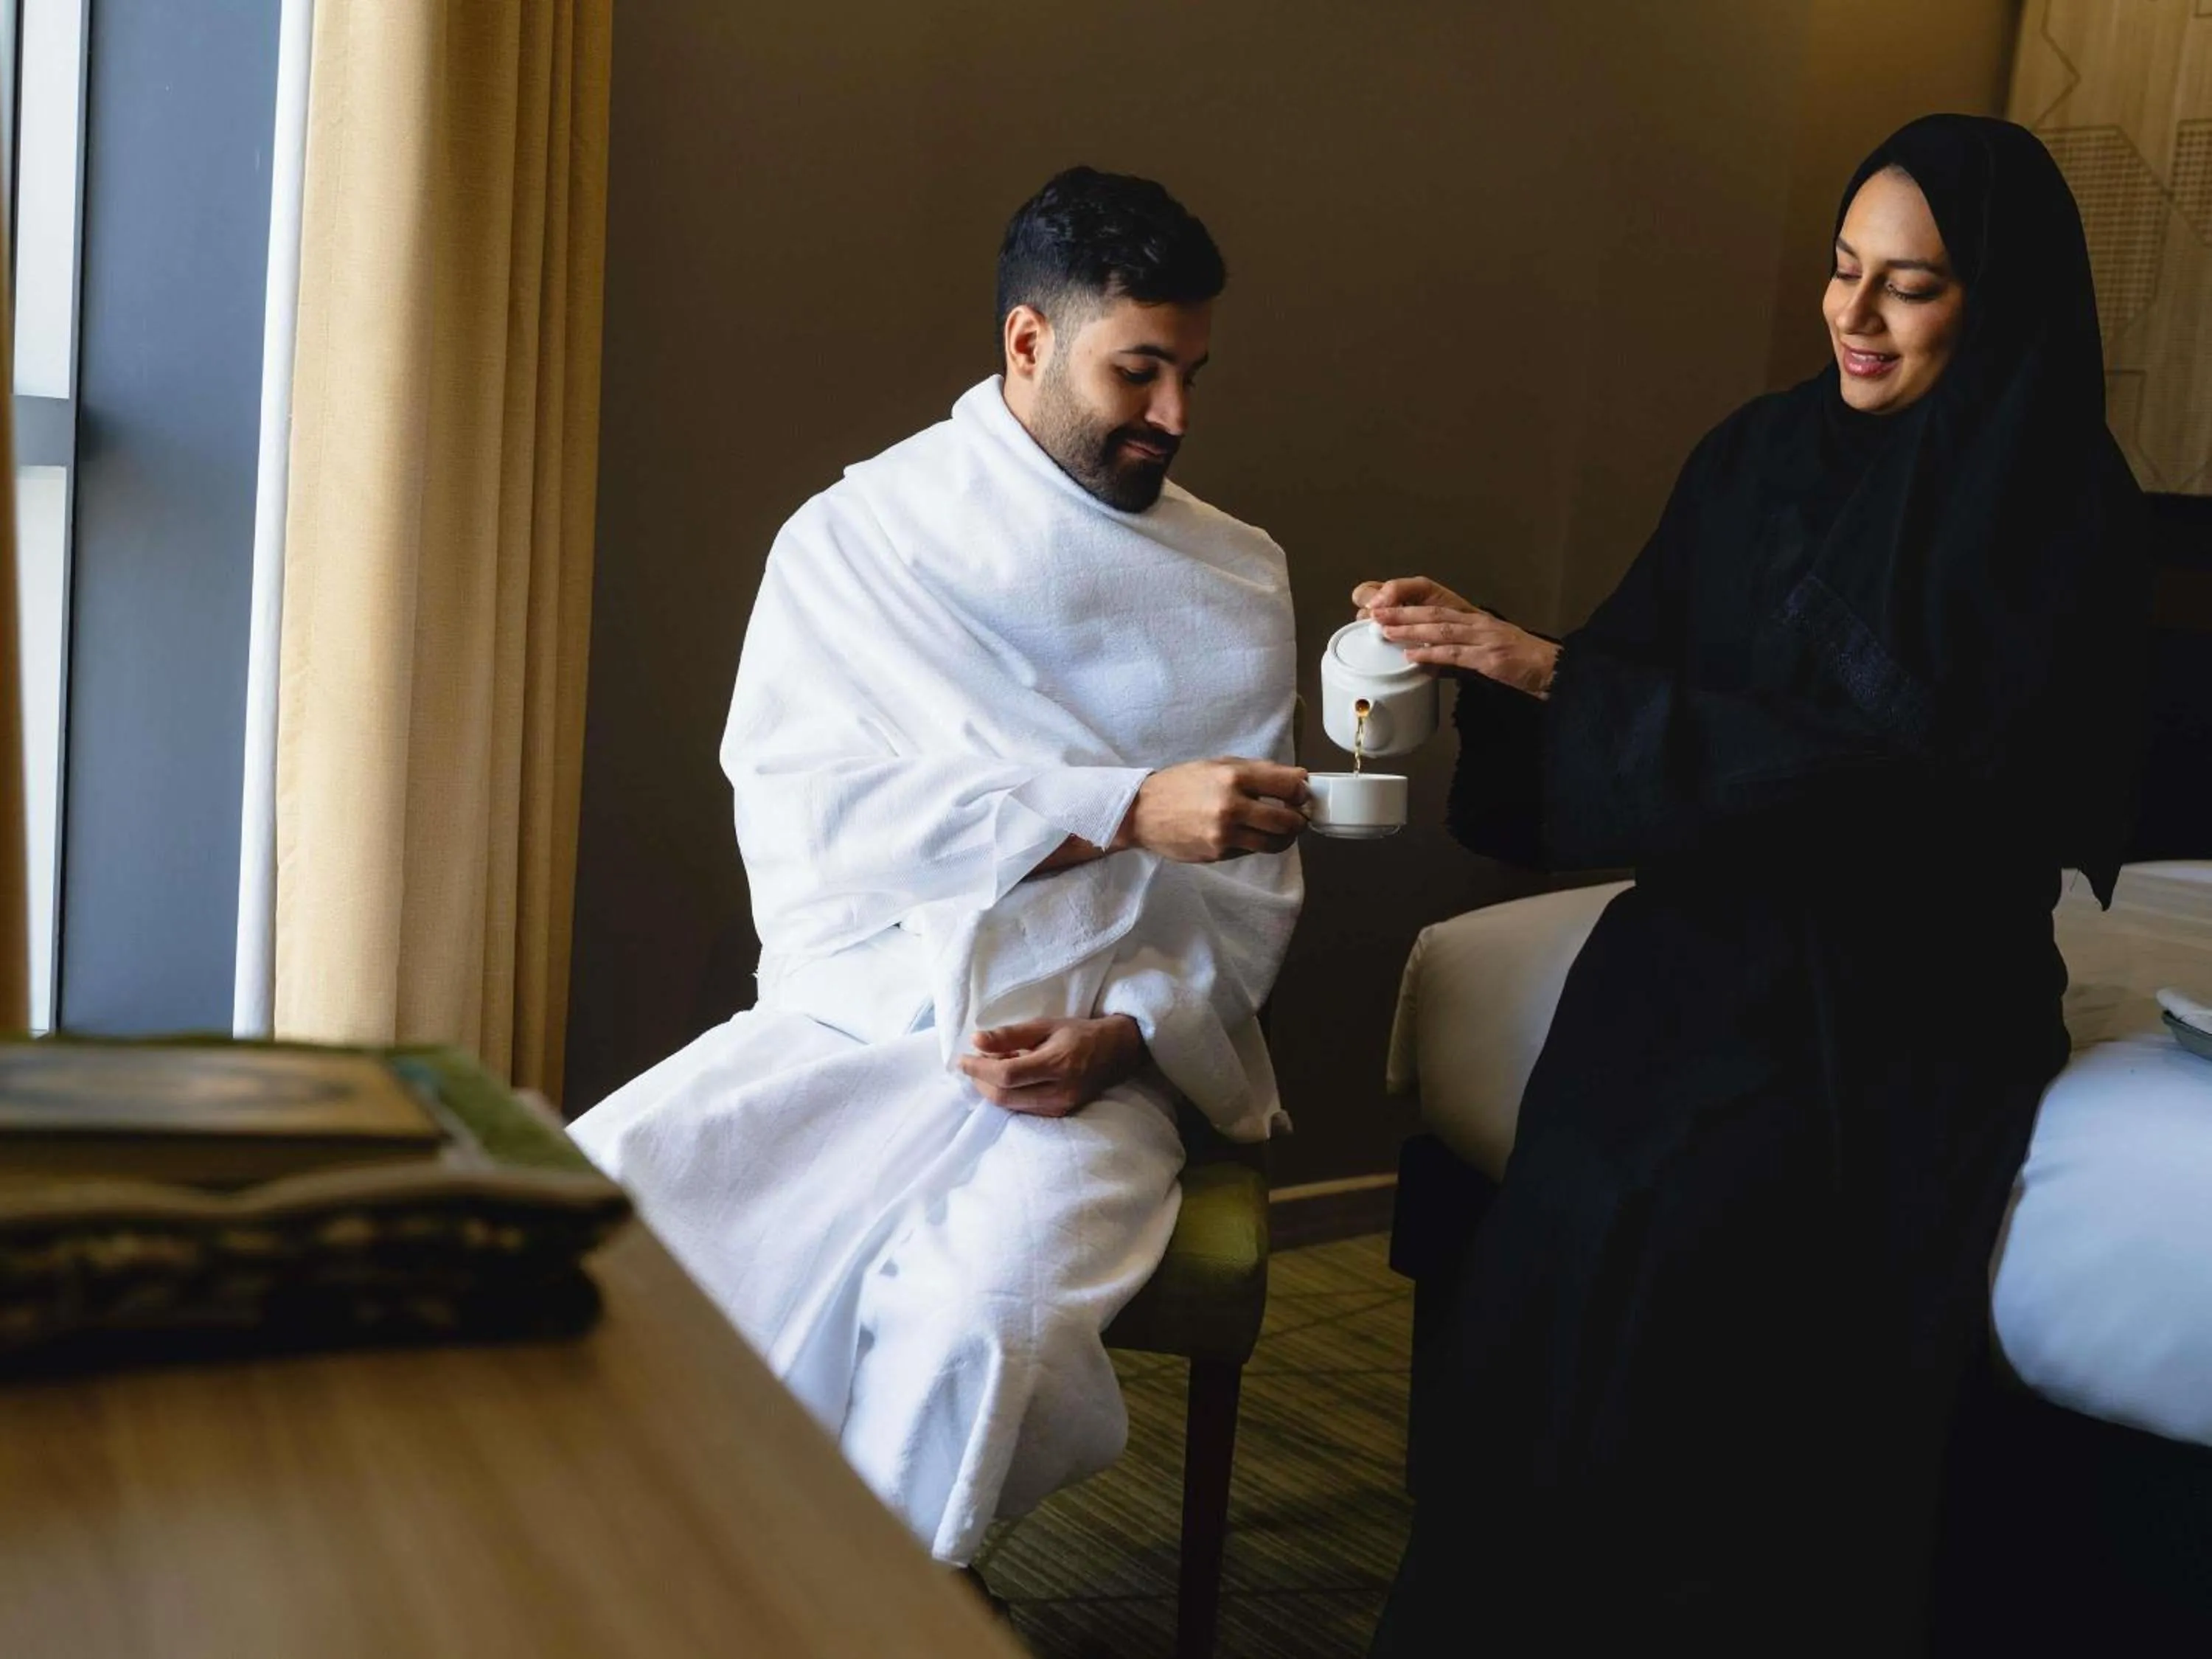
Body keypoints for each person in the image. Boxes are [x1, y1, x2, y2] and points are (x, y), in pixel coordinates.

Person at [1363, 116, 2152, 1655]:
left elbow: (1923, 782)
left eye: (1909, 287)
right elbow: (1629, 670)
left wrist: (1567, 676)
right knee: (1578, 1210)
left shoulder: (2055, 504)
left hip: (1915, 975)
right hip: (1709, 937)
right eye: (1844, 271)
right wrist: (1500, 660)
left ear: (1992, 298)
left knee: (1717, 1239)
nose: (1854, 316)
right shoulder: (1760, 456)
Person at [570, 167, 1308, 1579]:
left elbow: (1244, 900)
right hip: (867, 1018)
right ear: (1029, 341)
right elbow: (820, 816)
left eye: (1193, 374)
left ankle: (880, 1599)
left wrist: (1125, 1039)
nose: (1175, 416)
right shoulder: (858, 544)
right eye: (1138, 370)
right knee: (599, 1210)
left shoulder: (1236, 577)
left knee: (975, 1322)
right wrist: (1121, 808)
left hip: (1105, 1055)